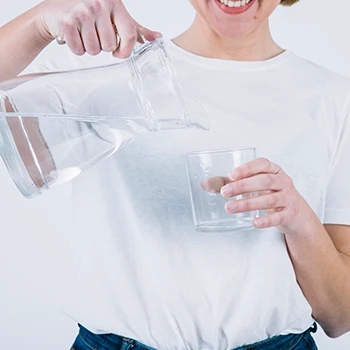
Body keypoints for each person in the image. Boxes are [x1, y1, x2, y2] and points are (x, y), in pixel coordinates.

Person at [1, 0, 350, 349]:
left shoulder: (334, 98)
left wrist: (298, 219)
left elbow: (340, 316)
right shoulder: (108, 63)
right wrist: (39, 21)